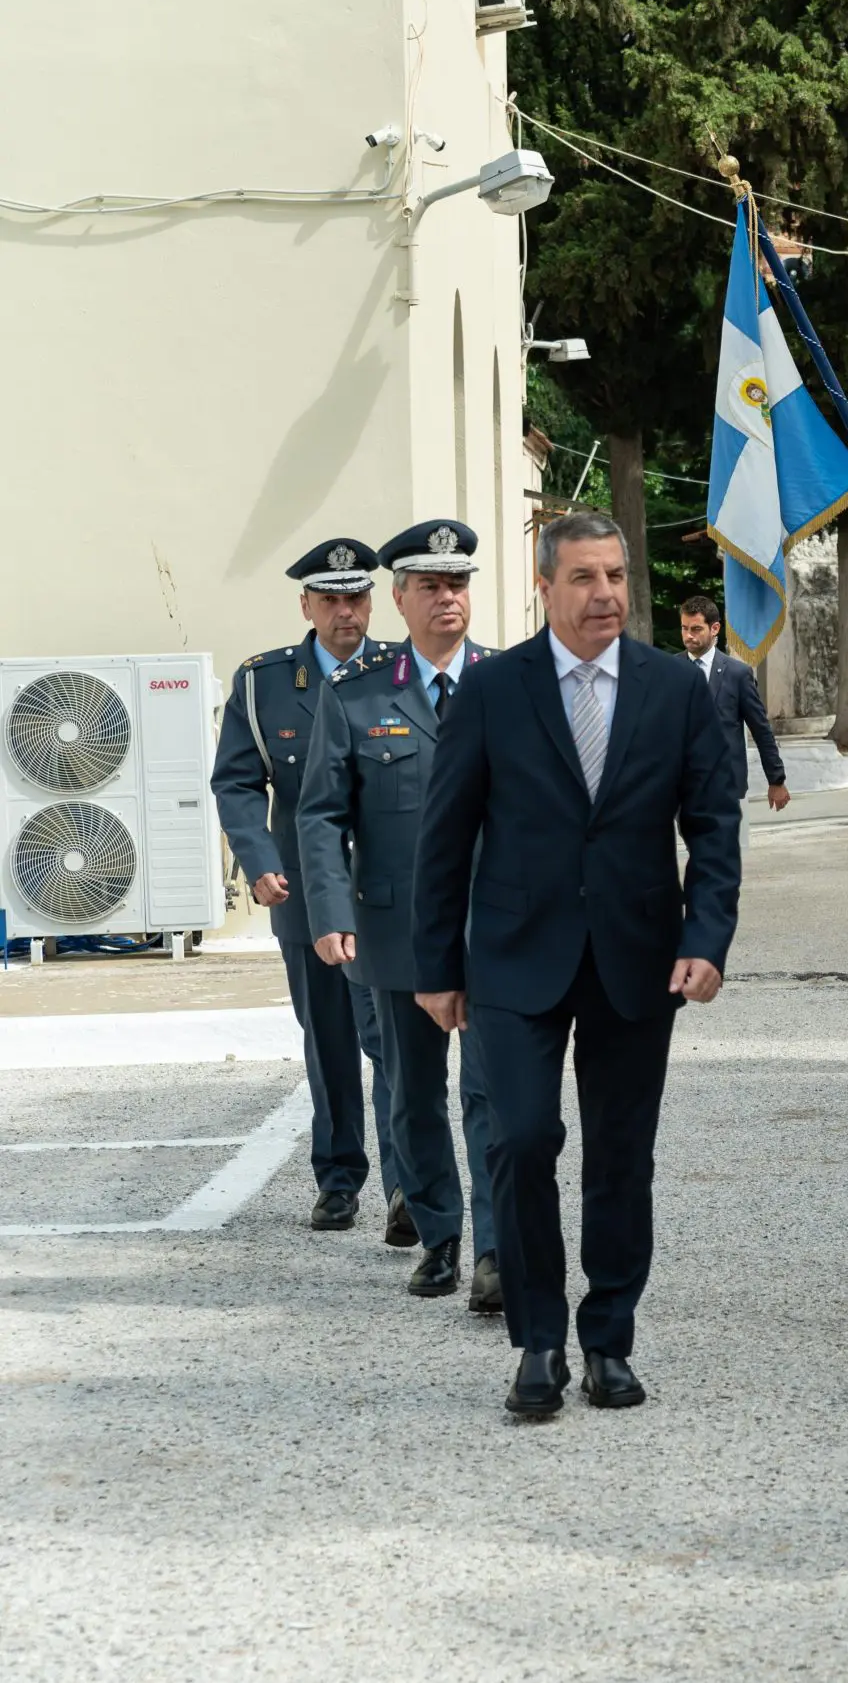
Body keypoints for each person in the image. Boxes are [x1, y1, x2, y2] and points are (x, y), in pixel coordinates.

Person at [411, 511, 742, 1418]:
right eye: (584, 578)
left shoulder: (674, 690)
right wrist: (436, 965)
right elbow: (445, 837)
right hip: (515, 959)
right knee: (519, 1140)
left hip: (638, 960)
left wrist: (705, 939)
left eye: (615, 576)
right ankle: (536, 1339)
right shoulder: (493, 689)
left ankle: (608, 1339)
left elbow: (713, 826)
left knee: (620, 1155)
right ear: (544, 587)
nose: (605, 595)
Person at [299, 520, 501, 1310]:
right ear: (400, 599)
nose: (448, 597)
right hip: (397, 928)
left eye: (458, 583)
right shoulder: (358, 695)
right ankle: (440, 1233)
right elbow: (319, 814)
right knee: (413, 1092)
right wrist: (327, 907)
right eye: (430, 585)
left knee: (493, 1091)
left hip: (497, 926)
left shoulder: (510, 682)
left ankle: (494, 1247)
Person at [210, 538, 403, 1236]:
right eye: (331, 599)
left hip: (387, 892)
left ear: (372, 602)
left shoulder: (402, 674)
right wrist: (258, 860)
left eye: (357, 597)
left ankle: (408, 1182)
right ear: (306, 605)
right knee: (327, 1040)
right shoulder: (264, 684)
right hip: (299, 892)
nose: (346, 611)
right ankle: (340, 1177)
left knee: (391, 1040)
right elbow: (235, 779)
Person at [675, 596, 790, 818]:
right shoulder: (668, 670)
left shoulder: (738, 674)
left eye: (696, 629)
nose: (689, 635)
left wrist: (776, 779)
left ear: (715, 628)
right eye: (684, 628)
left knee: (724, 850)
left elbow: (761, 729)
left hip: (726, 785)